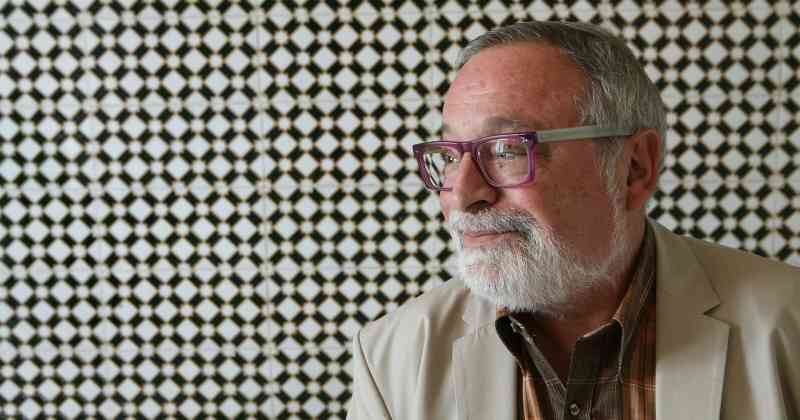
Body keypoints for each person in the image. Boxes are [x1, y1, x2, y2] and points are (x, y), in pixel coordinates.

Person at [346, 21, 799, 420]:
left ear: (634, 168)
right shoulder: (392, 358)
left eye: (507, 149)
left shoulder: (789, 326)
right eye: (448, 156)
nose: (462, 195)